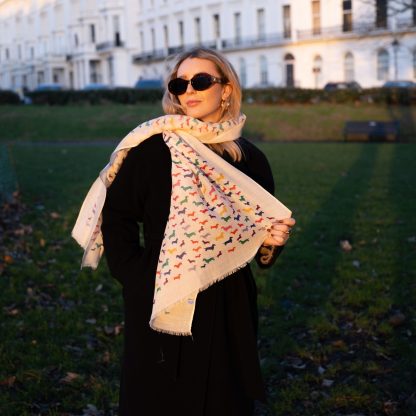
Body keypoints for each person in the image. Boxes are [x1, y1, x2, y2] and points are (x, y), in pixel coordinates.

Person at [72, 47, 295, 416]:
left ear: (226, 89)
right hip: (162, 294)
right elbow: (117, 215)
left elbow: (260, 242)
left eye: (201, 81)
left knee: (223, 398)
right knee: (161, 399)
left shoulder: (249, 158)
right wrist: (135, 276)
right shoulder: (153, 148)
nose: (188, 90)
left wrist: (272, 243)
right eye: (179, 83)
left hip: (227, 299)